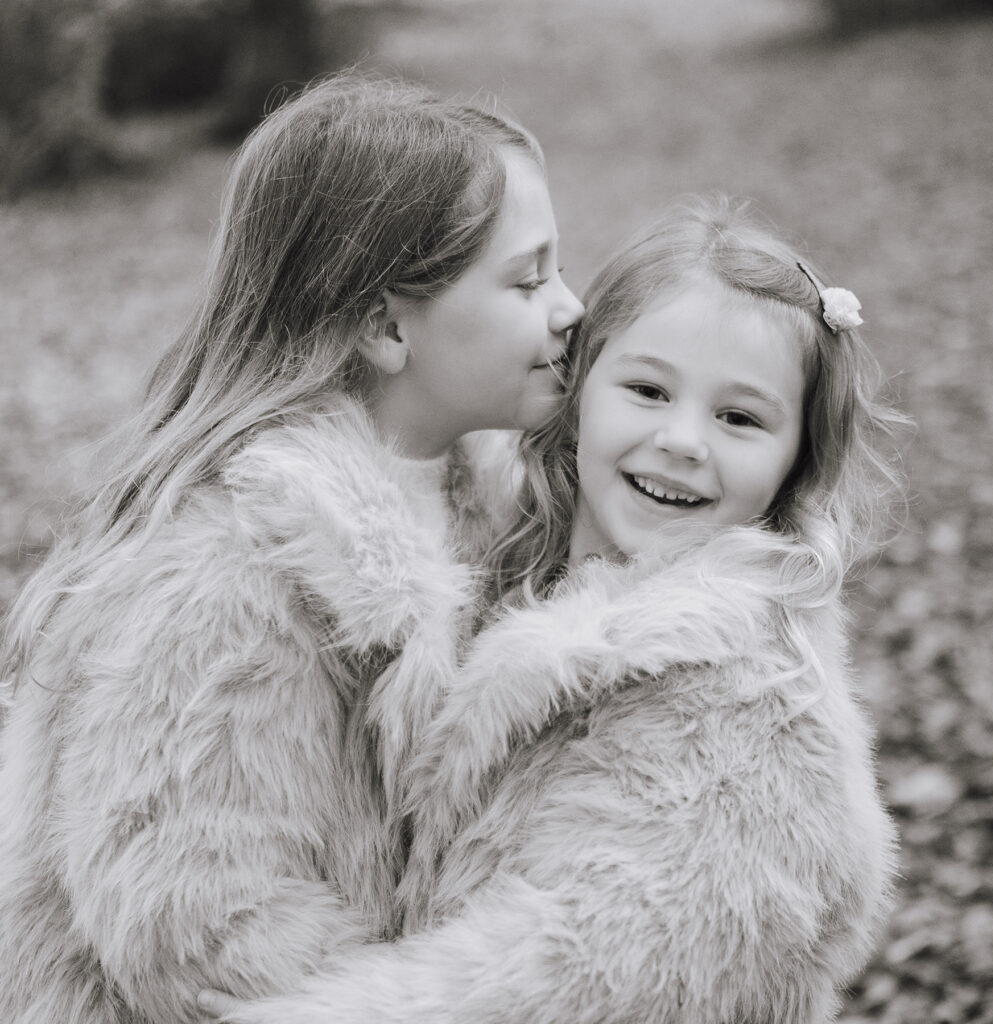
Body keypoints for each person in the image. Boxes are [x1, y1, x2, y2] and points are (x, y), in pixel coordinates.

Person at [199, 196, 905, 1024]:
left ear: (796, 463)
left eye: (739, 418)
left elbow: (598, 971)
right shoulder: (507, 566)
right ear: (579, 394)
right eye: (648, 389)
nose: (683, 440)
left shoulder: (753, 704)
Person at [0, 71, 582, 1023]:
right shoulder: (224, 583)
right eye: (528, 280)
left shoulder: (486, 506)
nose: (570, 307)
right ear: (386, 326)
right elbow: (202, 933)